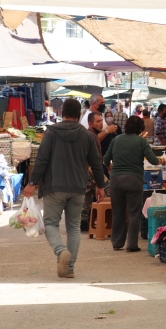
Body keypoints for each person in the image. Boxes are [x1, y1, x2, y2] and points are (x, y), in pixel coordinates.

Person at [24, 99, 105, 278]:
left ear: (62, 113)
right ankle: (69, 268)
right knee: (74, 227)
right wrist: (100, 186)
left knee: (51, 223)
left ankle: (61, 251)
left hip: (54, 186)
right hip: (78, 186)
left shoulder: (52, 132)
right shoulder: (87, 135)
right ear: (79, 115)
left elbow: (42, 160)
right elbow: (96, 163)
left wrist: (32, 183)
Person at [104, 116, 165, 252]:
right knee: (133, 213)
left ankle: (117, 243)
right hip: (134, 180)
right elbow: (153, 161)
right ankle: (131, 245)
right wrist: (161, 160)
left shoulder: (116, 139)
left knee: (118, 212)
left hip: (116, 180)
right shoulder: (141, 141)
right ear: (140, 129)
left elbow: (106, 159)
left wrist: (109, 167)